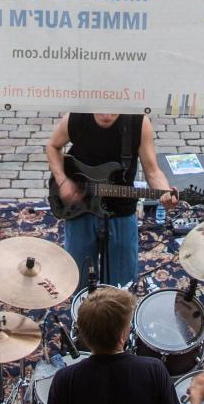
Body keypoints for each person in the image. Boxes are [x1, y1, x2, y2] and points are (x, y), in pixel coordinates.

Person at [1, 287, 204, 404]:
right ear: (123, 334)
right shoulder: (154, 370)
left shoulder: (65, 380)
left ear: (82, 334)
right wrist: (197, 398)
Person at [44, 112, 177, 288]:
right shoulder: (76, 117)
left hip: (120, 211)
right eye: (101, 108)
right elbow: (52, 146)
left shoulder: (138, 122)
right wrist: (62, 181)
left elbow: (152, 171)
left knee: (121, 285)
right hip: (80, 210)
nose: (106, 114)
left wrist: (165, 192)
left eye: (112, 110)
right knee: (78, 277)